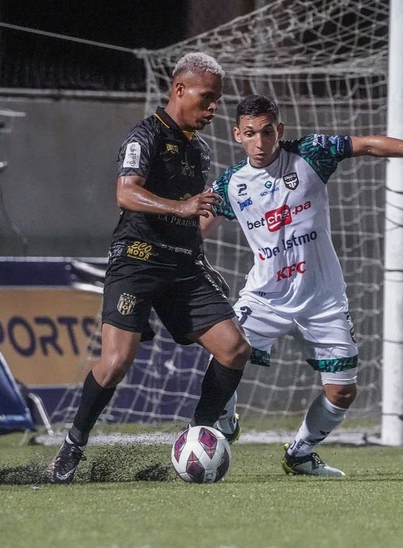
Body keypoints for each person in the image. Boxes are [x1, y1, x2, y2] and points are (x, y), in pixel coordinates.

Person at [201, 95, 403, 476]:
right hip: (265, 297)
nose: (261, 142)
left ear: (279, 130)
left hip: (322, 301)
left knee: (343, 391)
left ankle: (299, 453)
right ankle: (226, 421)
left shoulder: (311, 154)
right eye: (251, 134)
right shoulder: (232, 184)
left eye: (268, 132)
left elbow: (367, 145)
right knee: (224, 354)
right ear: (237, 135)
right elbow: (195, 229)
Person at [46, 53, 251, 483]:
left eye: (217, 100)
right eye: (207, 97)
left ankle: (200, 433)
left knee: (234, 348)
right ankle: (72, 446)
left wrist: (201, 256)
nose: (213, 107)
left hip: (182, 268)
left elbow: (194, 217)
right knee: (117, 362)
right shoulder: (146, 137)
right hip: (136, 260)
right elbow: (126, 193)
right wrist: (181, 207)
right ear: (179, 89)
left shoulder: (199, 150)